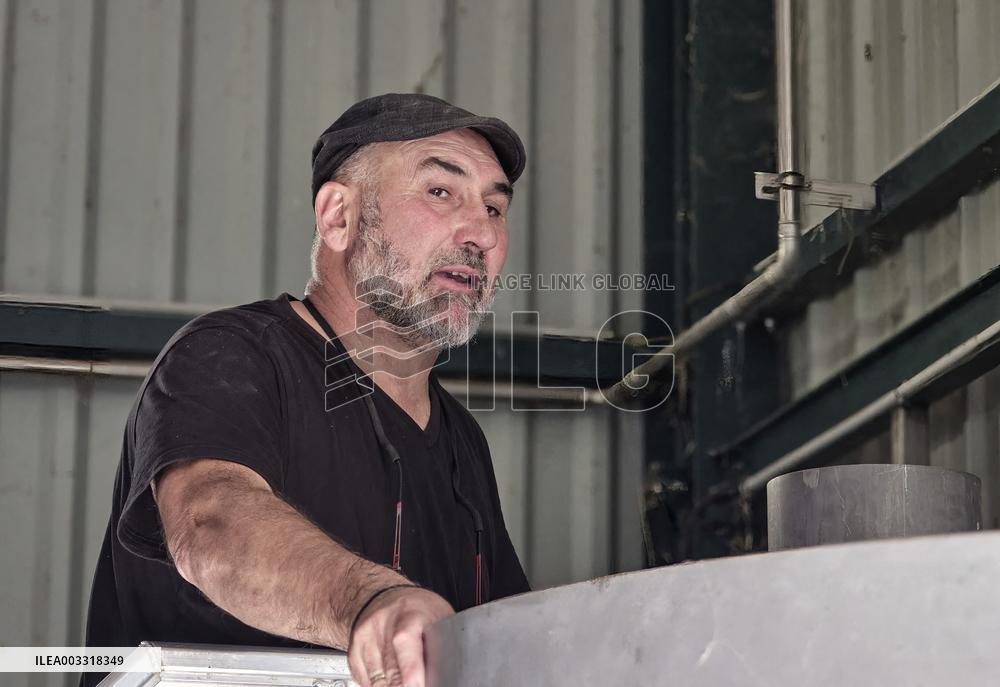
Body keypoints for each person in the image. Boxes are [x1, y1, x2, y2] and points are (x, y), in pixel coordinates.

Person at [82, 93, 530, 687]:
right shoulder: (232, 354)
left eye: (495, 208)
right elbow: (210, 522)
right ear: (338, 216)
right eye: (440, 192)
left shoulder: (461, 441)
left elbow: (512, 638)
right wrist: (370, 602)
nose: (481, 233)